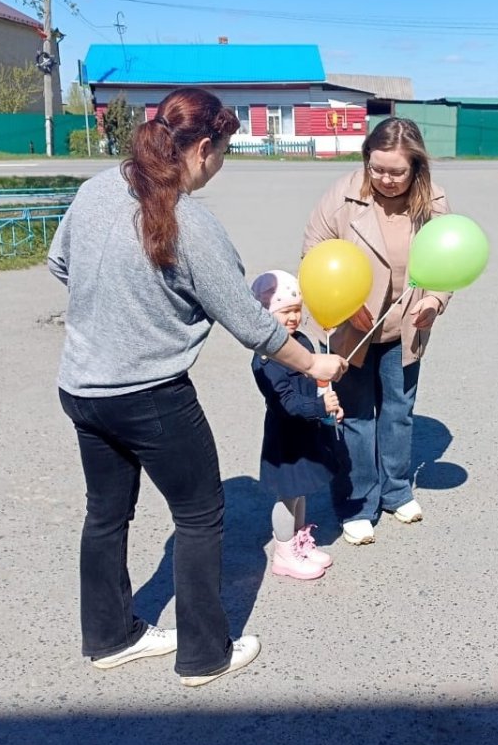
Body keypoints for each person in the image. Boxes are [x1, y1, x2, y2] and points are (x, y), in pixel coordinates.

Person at [49, 86, 346, 687]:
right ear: (204, 147)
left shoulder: (96, 188)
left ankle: (110, 637)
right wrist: (314, 366)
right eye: (224, 152)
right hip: (150, 395)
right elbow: (251, 323)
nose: (221, 165)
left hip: (81, 388)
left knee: (106, 514)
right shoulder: (193, 223)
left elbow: (60, 264)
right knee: (200, 515)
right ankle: (206, 654)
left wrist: (116, 309)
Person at [302, 117, 451, 546]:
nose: (385, 179)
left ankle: (396, 490)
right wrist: (347, 307)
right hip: (353, 328)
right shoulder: (341, 196)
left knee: (399, 413)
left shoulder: (435, 200)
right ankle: (357, 503)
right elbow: (313, 253)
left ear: (416, 168)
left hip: (405, 328)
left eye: (396, 171)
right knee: (356, 416)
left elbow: (447, 259)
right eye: (376, 168)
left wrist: (435, 301)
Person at [250, 269, 342, 581]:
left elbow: (316, 380)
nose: (293, 318)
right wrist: (318, 406)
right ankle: (285, 551)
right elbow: (285, 403)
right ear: (265, 315)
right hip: (285, 437)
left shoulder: (300, 342)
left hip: (307, 431)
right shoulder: (266, 359)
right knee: (287, 494)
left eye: (296, 311)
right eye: (284, 312)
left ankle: (300, 540)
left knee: (301, 491)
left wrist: (329, 403)